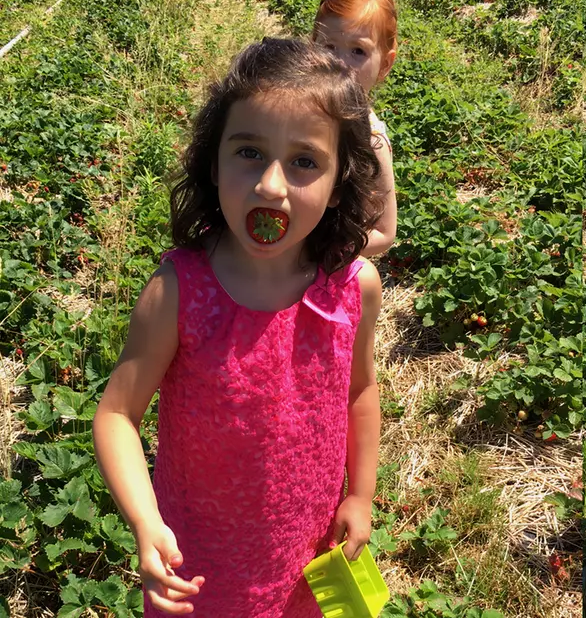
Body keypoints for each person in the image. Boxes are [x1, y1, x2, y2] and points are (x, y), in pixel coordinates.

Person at [92, 38, 385, 617]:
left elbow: (360, 391)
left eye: (304, 161)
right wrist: (146, 523)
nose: (271, 185)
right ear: (213, 160)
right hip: (199, 562)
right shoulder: (180, 292)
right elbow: (116, 415)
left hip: (306, 543)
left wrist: (360, 494)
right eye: (249, 151)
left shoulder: (353, 287)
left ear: (337, 184)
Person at [312, 0, 398, 258]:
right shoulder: (299, 112)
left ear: (385, 64)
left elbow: (385, 233)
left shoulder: (370, 140)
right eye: (329, 46)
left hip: (325, 266)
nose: (339, 62)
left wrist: (325, 248)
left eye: (358, 51)